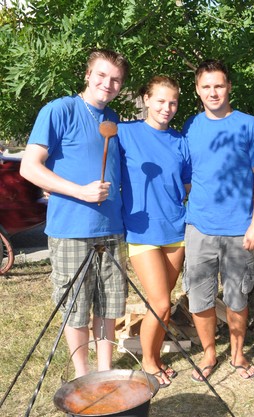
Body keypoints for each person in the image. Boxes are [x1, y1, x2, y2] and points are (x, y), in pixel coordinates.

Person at [20, 49, 129, 378]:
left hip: (111, 228)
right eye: (101, 75)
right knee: (77, 308)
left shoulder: (113, 119)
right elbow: (29, 167)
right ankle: (83, 376)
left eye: (115, 80)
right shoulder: (60, 110)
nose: (107, 84)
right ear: (87, 75)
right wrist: (79, 191)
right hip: (71, 230)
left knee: (109, 305)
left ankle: (105, 371)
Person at [182, 59, 254, 381]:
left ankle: (237, 354)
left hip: (240, 229)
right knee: (199, 297)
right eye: (206, 86)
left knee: (237, 296)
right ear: (197, 90)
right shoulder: (191, 126)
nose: (213, 92)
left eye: (219, 86)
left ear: (229, 87)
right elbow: (188, 175)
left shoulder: (250, 126)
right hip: (199, 227)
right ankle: (209, 354)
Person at [118, 76, 191, 387]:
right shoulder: (124, 133)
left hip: (175, 229)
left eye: (173, 102)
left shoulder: (180, 141)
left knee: (164, 302)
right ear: (146, 99)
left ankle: (155, 356)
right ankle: (149, 363)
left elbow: (187, 185)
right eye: (160, 101)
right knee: (160, 303)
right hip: (142, 232)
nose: (167, 108)